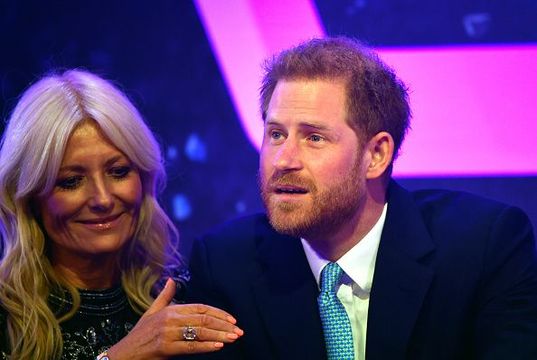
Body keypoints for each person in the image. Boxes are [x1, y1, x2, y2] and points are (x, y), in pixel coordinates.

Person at [186, 37, 537, 359]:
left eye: (314, 138)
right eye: (276, 134)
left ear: (377, 155)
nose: (282, 160)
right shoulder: (225, 266)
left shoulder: (483, 248)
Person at [0, 69, 243, 360]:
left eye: (118, 172)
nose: (102, 199)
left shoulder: (183, 295)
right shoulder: (8, 315)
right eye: (71, 181)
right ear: (29, 197)